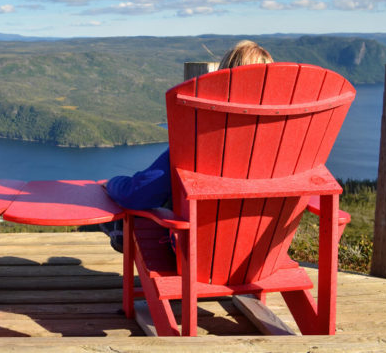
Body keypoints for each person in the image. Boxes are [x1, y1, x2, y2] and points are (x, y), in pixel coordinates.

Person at [101, 40, 273, 252]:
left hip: (197, 257)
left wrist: (112, 183)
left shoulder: (197, 139)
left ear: (222, 81)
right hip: (263, 253)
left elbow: (138, 195)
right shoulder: (286, 142)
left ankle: (118, 230)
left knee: (154, 204)